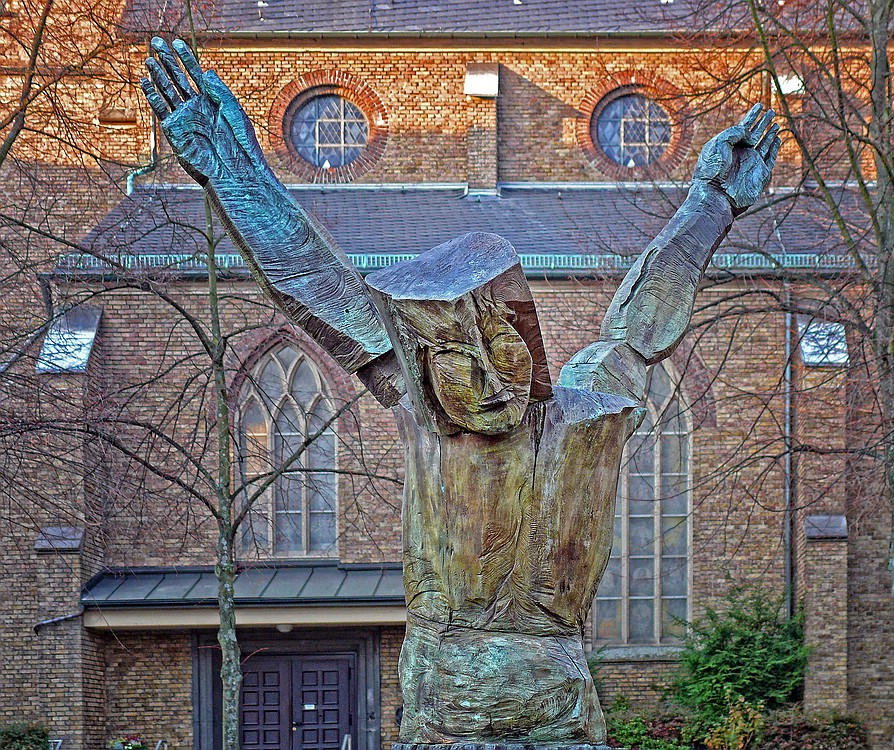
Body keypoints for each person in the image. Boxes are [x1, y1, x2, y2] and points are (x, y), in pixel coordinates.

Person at [142, 37, 780, 748]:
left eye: (502, 346)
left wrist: (710, 204)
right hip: (444, 720)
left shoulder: (580, 414)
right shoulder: (425, 419)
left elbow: (637, 329)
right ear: (422, 369)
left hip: (560, 722)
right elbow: (313, 281)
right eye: (453, 362)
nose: (485, 378)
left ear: (529, 341)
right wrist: (233, 174)